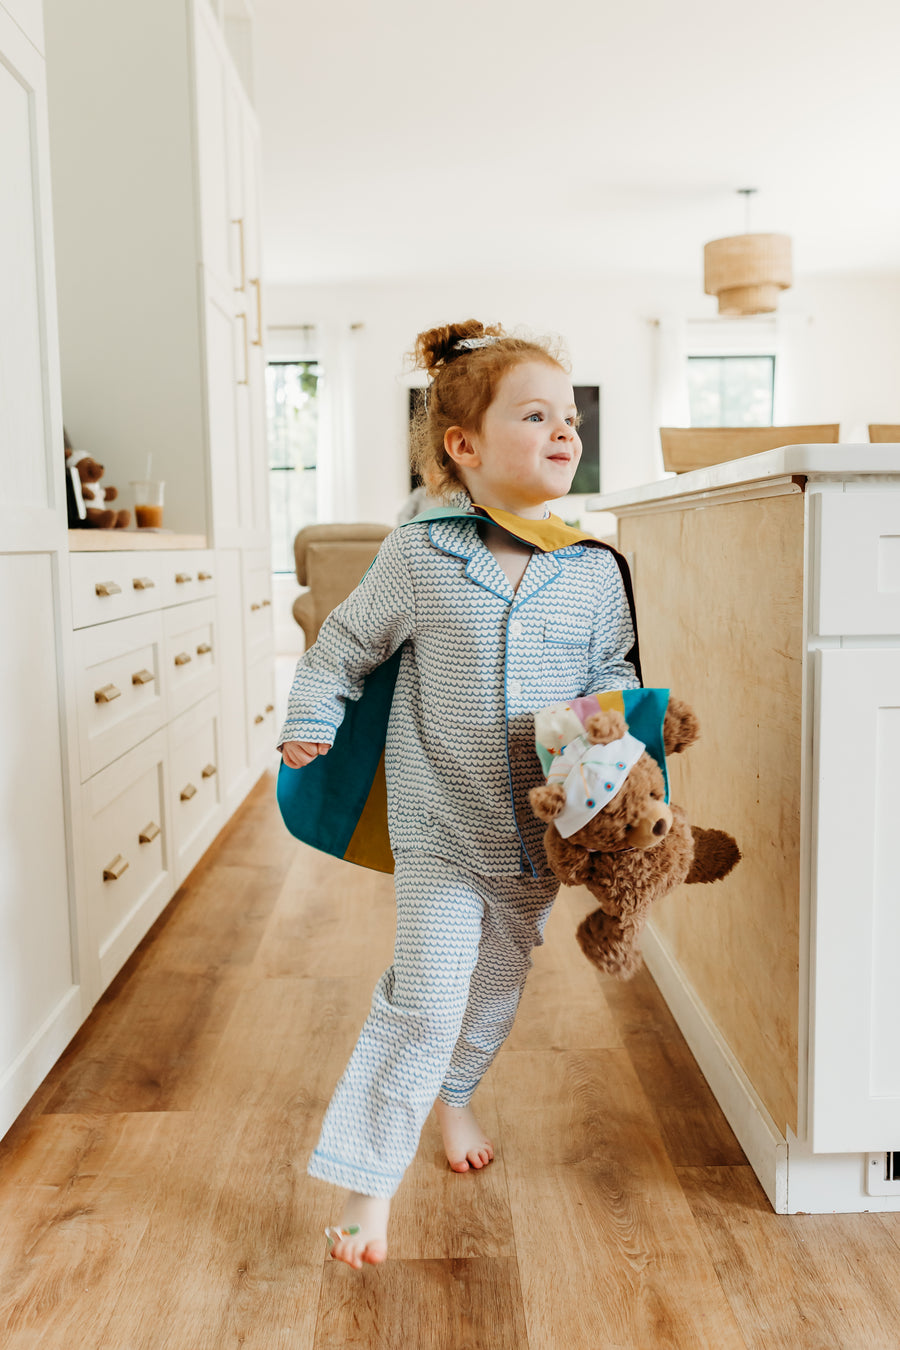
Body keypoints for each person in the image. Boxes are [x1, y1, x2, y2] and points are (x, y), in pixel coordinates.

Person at [277, 320, 641, 1269]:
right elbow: (345, 644)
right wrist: (309, 716)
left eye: (570, 417)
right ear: (464, 447)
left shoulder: (596, 570)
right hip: (440, 823)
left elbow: (616, 679)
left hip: (538, 837)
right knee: (429, 995)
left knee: (490, 992)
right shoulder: (419, 557)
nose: (566, 432)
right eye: (536, 415)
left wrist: (617, 757)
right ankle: (370, 1186)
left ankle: (458, 1090)